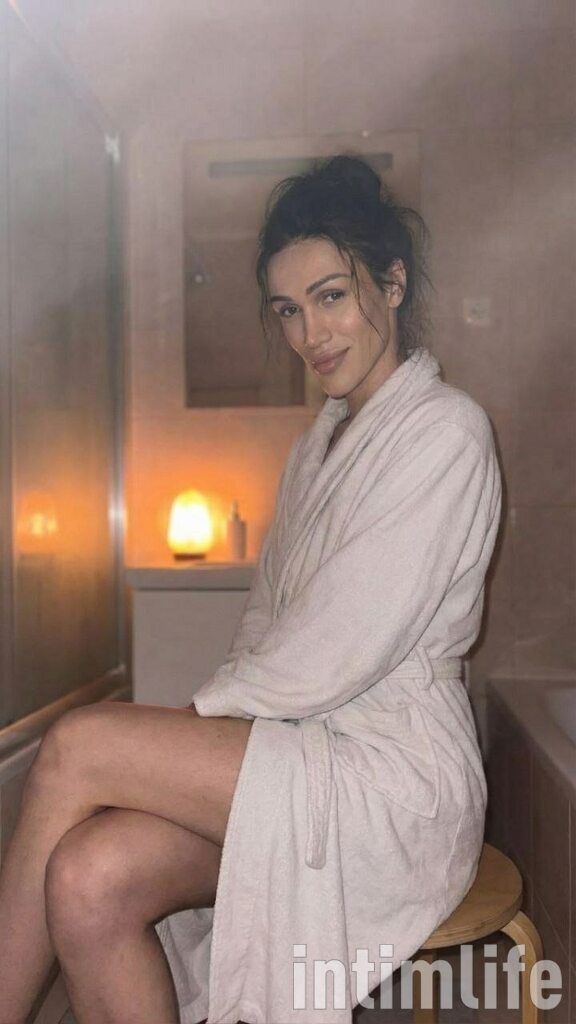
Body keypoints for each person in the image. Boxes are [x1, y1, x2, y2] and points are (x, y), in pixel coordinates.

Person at [0, 155, 502, 1024]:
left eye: (331, 296)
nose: (310, 333)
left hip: (393, 785)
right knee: (86, 877)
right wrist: (186, 745)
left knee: (80, 746)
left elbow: (337, 646)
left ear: (391, 283)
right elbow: (266, 627)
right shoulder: (318, 448)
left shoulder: (446, 432)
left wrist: (180, 732)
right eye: (288, 309)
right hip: (303, 751)